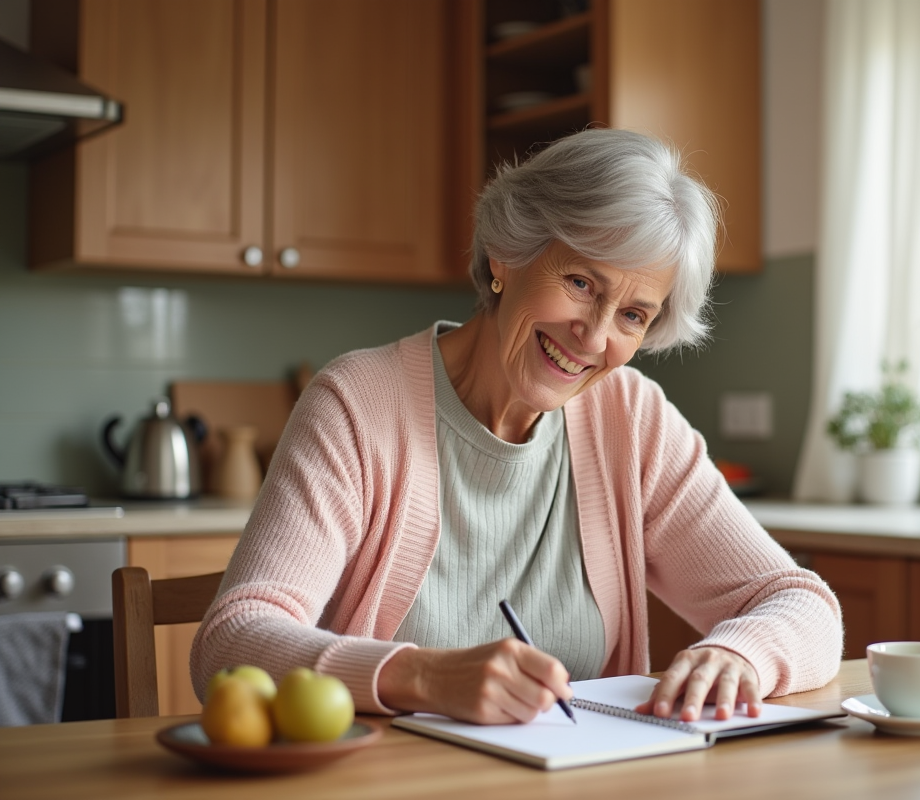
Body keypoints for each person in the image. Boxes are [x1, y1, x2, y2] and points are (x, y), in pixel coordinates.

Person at [191, 128, 842, 725]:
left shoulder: (631, 419)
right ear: (507, 255)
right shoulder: (358, 406)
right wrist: (422, 675)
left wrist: (742, 654)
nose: (594, 336)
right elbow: (230, 641)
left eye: (634, 315)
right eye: (582, 281)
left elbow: (801, 603)